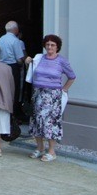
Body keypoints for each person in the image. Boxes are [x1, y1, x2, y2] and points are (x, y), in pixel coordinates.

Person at [24, 34, 76, 162]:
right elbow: (32, 73)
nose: (49, 47)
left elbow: (72, 76)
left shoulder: (61, 61)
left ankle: (51, 151)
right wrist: (28, 63)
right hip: (38, 94)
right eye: (47, 44)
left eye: (52, 45)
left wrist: (64, 89)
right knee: (36, 120)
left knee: (50, 123)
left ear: (57, 47)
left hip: (52, 96)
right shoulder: (39, 58)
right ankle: (40, 148)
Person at [0, 21, 28, 116]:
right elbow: (19, 58)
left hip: (1, 67)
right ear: (16, 30)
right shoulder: (15, 41)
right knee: (14, 91)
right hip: (13, 67)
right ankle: (13, 114)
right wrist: (24, 64)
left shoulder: (0, 39)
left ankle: (5, 113)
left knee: (4, 90)